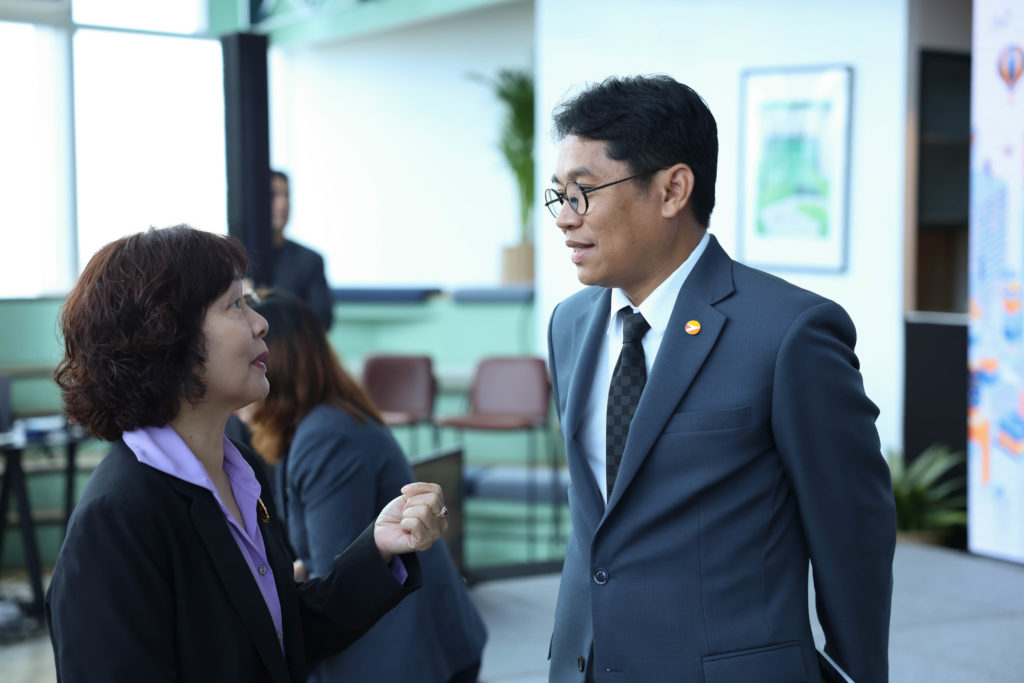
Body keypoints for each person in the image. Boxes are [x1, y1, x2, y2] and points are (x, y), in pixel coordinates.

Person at [543, 75, 896, 683]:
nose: (564, 218)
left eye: (584, 193)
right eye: (559, 196)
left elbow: (853, 536)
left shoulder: (789, 333)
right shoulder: (569, 323)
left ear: (673, 189)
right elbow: (597, 517)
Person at [46, 225, 449, 682]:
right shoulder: (116, 520)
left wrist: (377, 549)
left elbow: (274, 636)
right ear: (167, 335)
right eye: (235, 305)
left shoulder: (239, 467)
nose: (261, 323)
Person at [239, 289, 487, 682]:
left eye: (250, 360)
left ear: (277, 365)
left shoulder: (325, 438)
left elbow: (335, 578)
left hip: (406, 653)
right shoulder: (320, 422)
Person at [265, 170, 335, 330]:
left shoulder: (310, 260)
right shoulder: (234, 260)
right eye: (274, 195)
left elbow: (322, 319)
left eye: (287, 195)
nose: (283, 204)